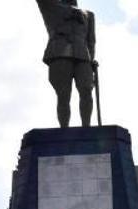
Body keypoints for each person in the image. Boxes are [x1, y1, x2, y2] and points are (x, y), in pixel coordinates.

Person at [35, 0, 96, 128]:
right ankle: (64, 129)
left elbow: (91, 41)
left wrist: (91, 61)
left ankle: (87, 127)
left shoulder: (89, 15)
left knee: (86, 90)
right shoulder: (50, 7)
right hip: (59, 54)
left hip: (83, 56)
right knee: (63, 95)